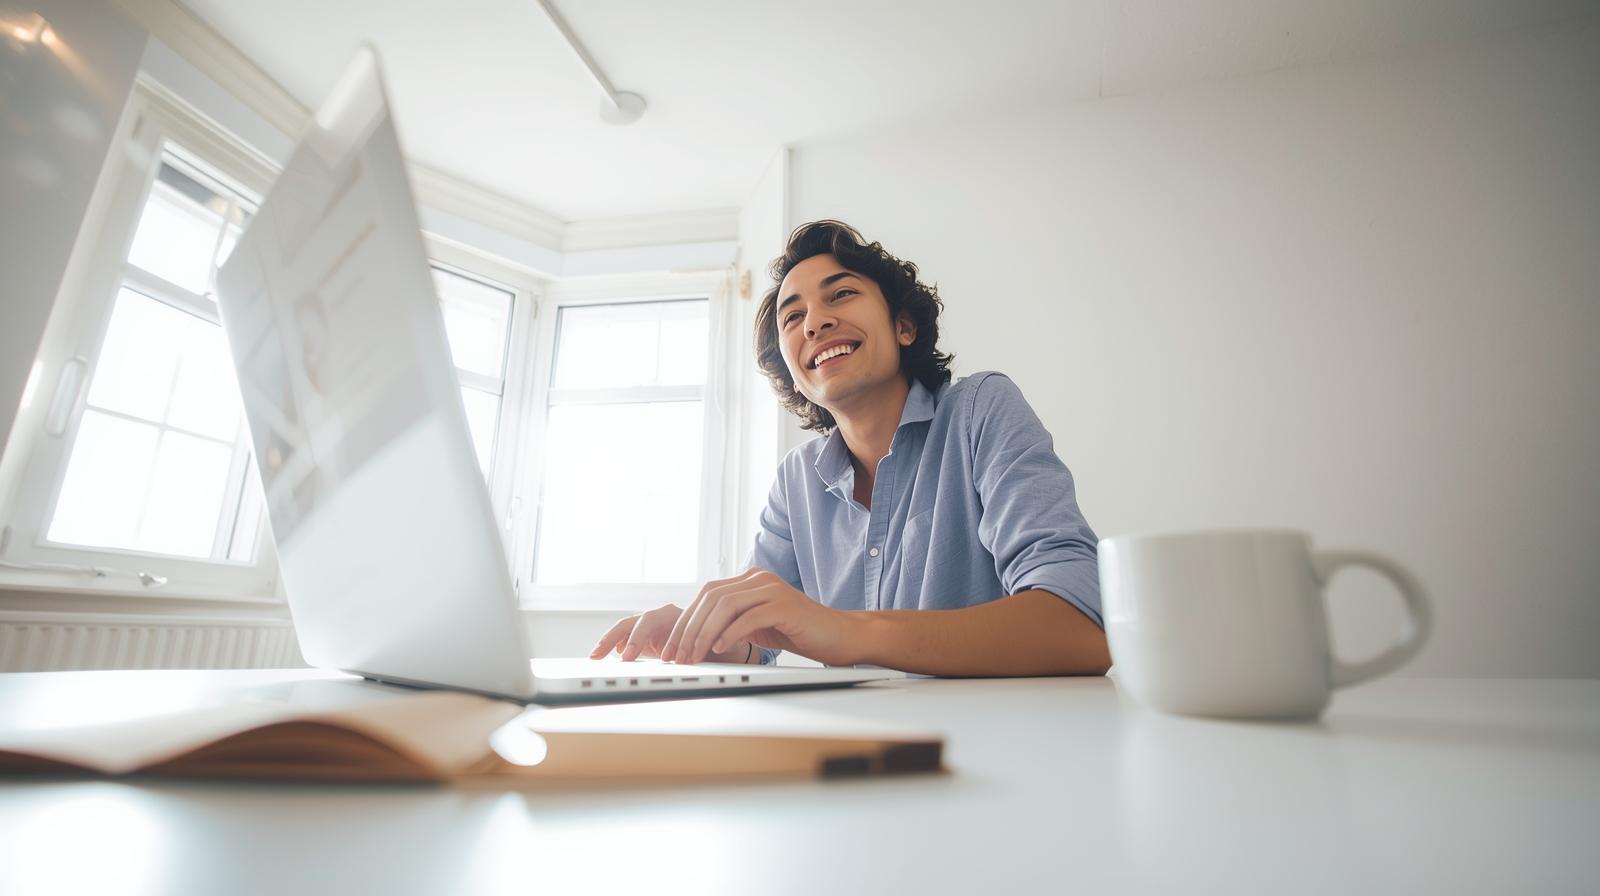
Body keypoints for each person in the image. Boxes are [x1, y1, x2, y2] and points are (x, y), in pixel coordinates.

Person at [591, 220, 1109, 677]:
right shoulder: (796, 480)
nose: (814, 323)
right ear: (791, 370)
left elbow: (1082, 623)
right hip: (858, 742)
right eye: (792, 317)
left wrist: (848, 631)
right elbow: (757, 644)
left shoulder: (980, 409)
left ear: (904, 326)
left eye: (840, 294)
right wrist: (700, 635)